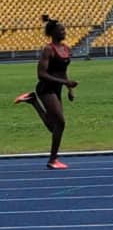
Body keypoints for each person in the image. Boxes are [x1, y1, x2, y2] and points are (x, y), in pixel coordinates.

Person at [14, 15, 78, 170]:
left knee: (54, 126)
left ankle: (33, 101)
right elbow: (41, 74)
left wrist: (69, 89)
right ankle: (53, 159)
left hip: (57, 89)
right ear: (53, 33)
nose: (64, 31)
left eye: (64, 29)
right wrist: (65, 83)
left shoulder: (66, 49)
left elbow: (63, 72)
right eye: (60, 30)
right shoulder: (48, 49)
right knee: (61, 123)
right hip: (45, 88)